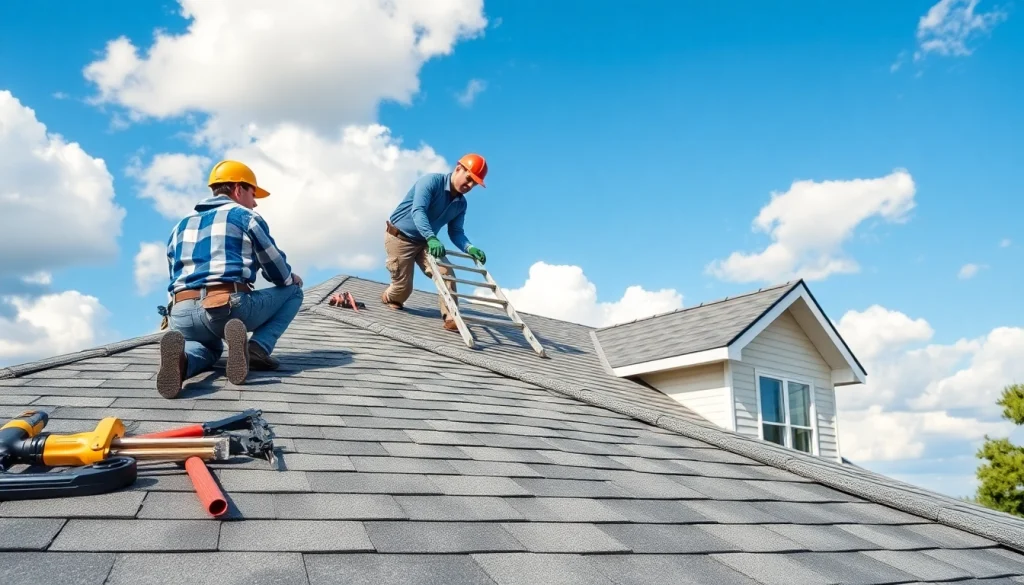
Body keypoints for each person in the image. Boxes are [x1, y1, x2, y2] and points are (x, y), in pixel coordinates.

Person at [156, 160, 304, 399]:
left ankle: (183, 362)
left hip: (181, 312)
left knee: (208, 348)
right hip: (225, 306)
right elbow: (276, 269)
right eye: (253, 194)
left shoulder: (180, 225)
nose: (255, 202)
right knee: (294, 291)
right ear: (238, 189)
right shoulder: (245, 216)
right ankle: (256, 349)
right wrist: (291, 278)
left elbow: (174, 273)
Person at [382, 153, 488, 331]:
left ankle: (451, 317)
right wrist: (431, 237)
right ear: (458, 169)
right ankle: (389, 296)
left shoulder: (461, 204)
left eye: (474, 184)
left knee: (446, 272)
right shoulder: (431, 182)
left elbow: (456, 232)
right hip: (400, 238)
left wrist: (469, 247)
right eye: (469, 179)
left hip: (425, 242)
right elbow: (418, 211)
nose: (469, 186)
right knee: (402, 290)